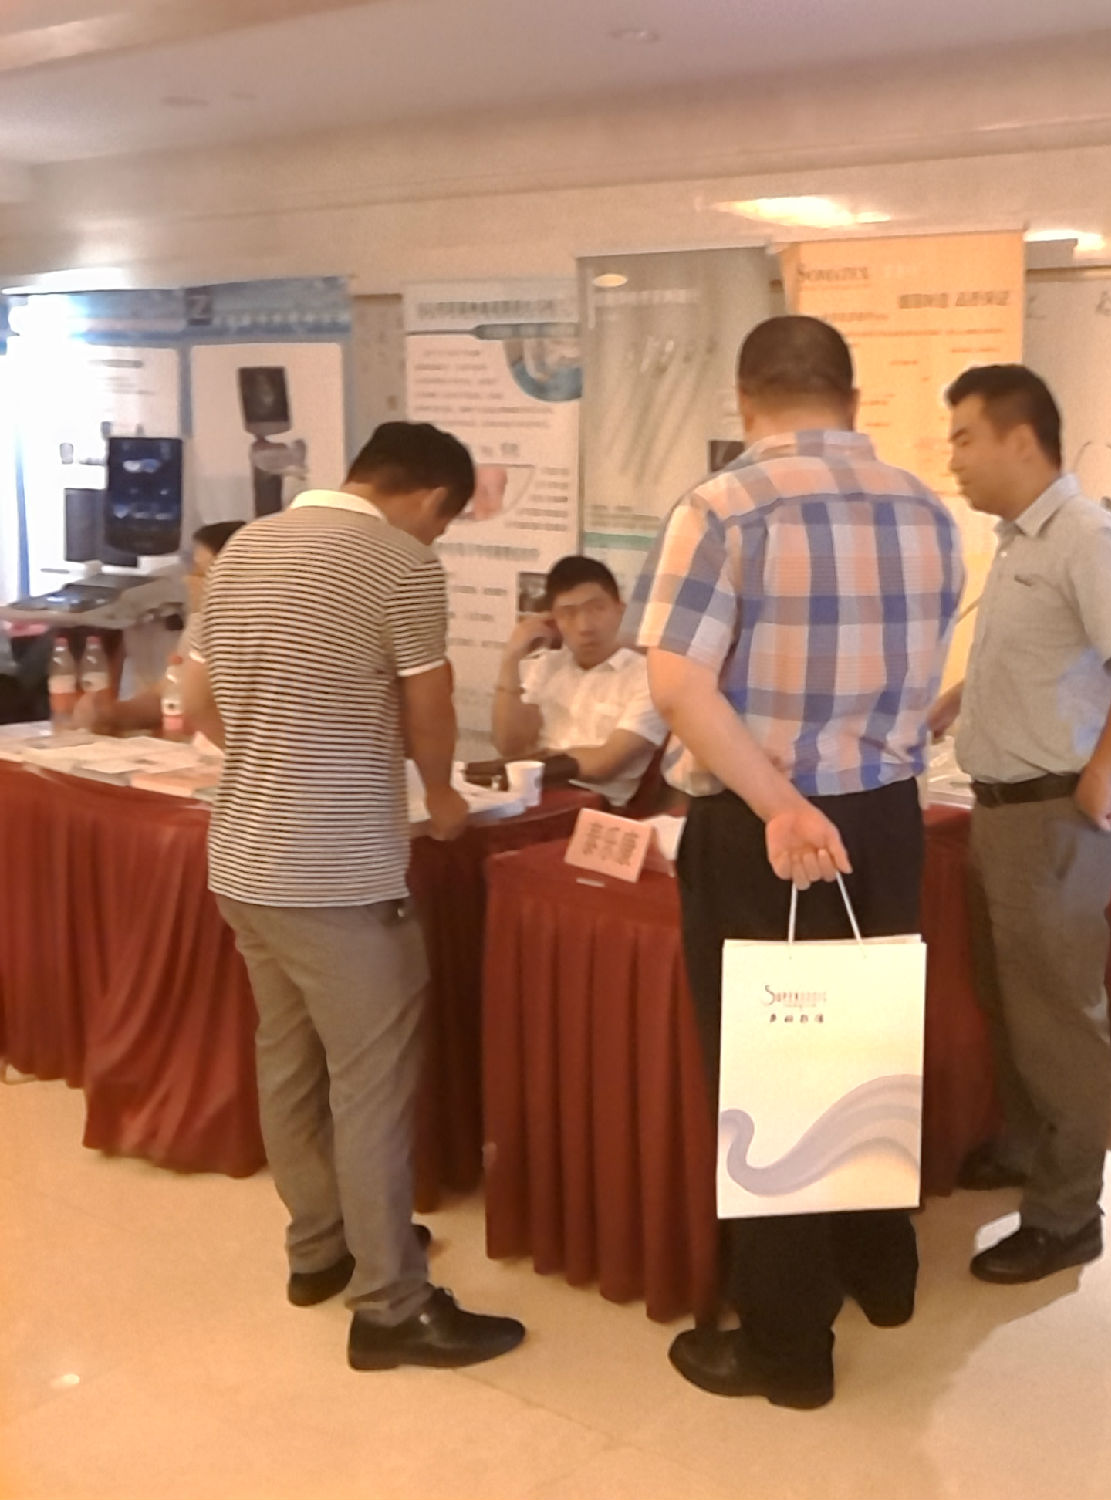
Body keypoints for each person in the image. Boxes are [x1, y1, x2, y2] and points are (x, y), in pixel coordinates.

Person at [630, 315, 962, 1409]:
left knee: (771, 1077)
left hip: (765, 826)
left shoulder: (724, 504)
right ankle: (881, 1271)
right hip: (887, 818)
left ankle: (786, 1349)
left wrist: (777, 803)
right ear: (851, 399)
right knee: (865, 1050)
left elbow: (677, 683)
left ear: (745, 401)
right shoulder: (927, 507)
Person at [179, 421, 526, 1372]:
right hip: (336, 873)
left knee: (288, 1062)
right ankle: (391, 1308)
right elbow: (431, 705)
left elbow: (198, 699)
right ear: (432, 499)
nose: (437, 539)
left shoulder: (245, 548)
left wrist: (268, 756)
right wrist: (443, 794)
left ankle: (320, 1249)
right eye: (445, 524)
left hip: (243, 860)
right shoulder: (400, 563)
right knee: (371, 1085)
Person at [929, 364, 1111, 1285]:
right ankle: (1031, 1147)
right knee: (1013, 1005)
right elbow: (1040, 654)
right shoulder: (1018, 541)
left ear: (1020, 440)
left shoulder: (1084, 534)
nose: (954, 458)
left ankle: (1069, 1214)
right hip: (1003, 812)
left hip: (1053, 816)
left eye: (965, 437)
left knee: (1058, 1021)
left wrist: (1104, 766)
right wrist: (956, 701)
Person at [490, 554, 668, 808]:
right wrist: (510, 660)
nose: (585, 626)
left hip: (597, 805)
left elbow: (605, 763)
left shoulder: (649, 676)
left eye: (597, 608)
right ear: (553, 621)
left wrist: (531, 762)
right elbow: (509, 745)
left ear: (621, 610)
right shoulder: (546, 666)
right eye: (568, 613)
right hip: (531, 794)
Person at [76, 520, 243, 734]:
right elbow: (165, 694)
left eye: (201, 572)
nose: (189, 580)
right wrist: (112, 713)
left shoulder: (245, 635)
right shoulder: (199, 624)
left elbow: (204, 712)